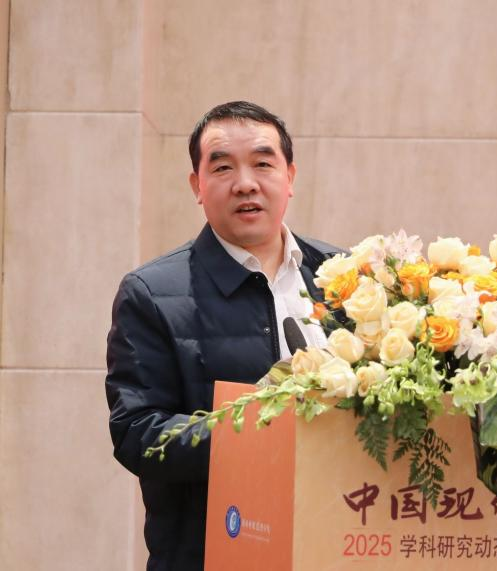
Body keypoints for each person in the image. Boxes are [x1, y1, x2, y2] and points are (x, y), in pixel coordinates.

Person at [105, 101, 341, 570]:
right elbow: (136, 433)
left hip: (335, 545)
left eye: (263, 163)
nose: (245, 183)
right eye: (223, 167)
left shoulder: (345, 276)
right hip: (213, 553)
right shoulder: (152, 294)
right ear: (197, 185)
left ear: (290, 177)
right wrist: (261, 432)